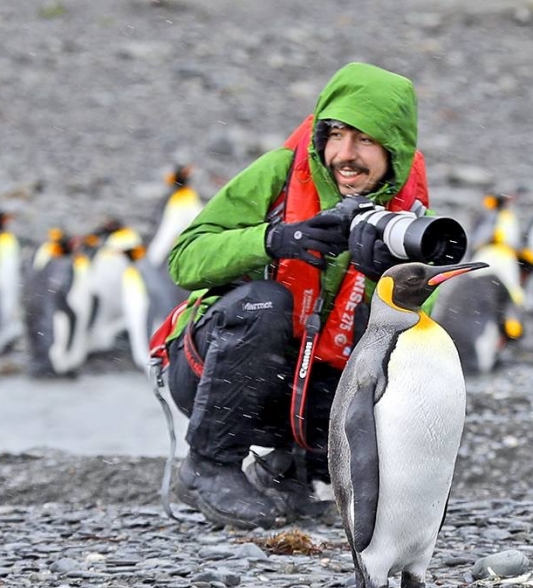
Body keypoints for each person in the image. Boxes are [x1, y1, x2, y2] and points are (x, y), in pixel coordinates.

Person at [161, 62, 451, 529]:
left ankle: (292, 470)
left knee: (393, 354)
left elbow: (408, 347)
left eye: (366, 140)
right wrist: (276, 240)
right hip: (211, 369)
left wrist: (385, 282)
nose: (345, 154)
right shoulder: (279, 174)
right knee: (267, 304)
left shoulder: (411, 228)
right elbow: (184, 260)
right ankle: (208, 466)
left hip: (299, 391)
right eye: (335, 135)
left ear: (394, 150)